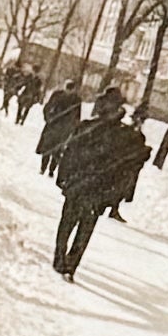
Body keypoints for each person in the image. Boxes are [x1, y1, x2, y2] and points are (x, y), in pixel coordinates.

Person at [50, 92, 148, 282]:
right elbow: (70, 154)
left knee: (73, 224)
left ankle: (66, 262)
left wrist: (65, 179)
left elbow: (135, 157)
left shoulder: (116, 133)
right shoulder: (114, 133)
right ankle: (65, 261)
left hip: (87, 187)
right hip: (92, 188)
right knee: (78, 226)